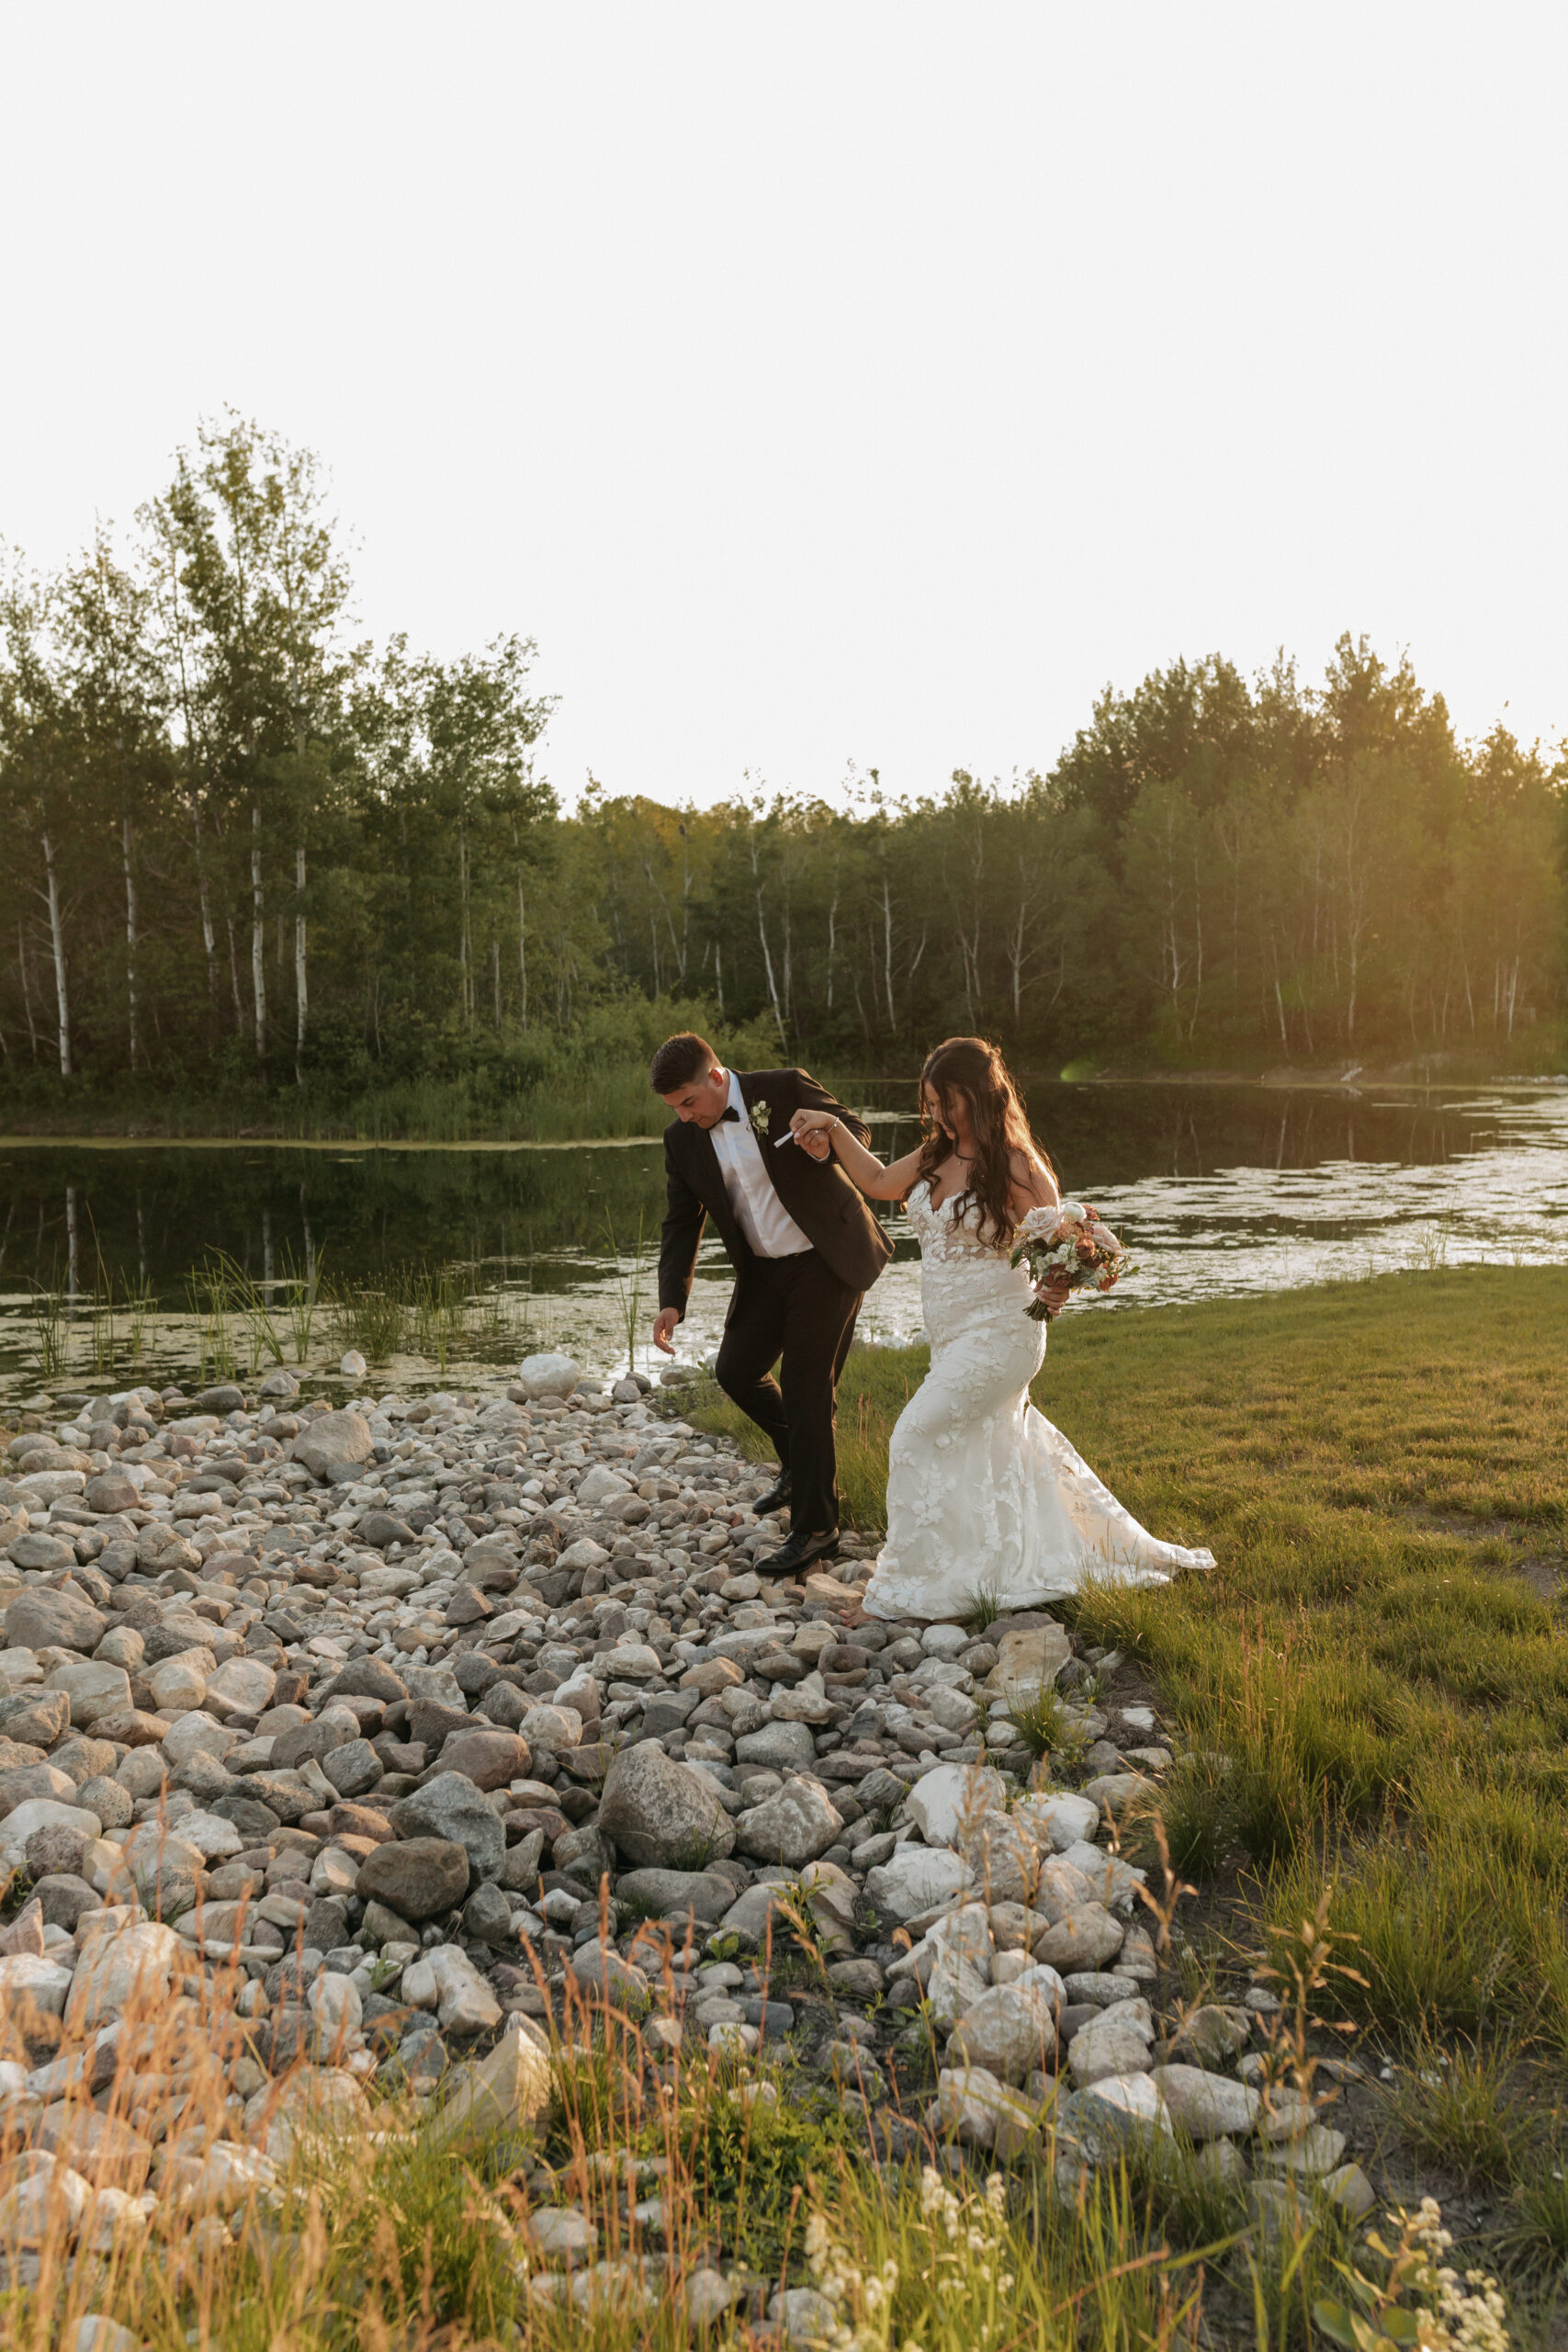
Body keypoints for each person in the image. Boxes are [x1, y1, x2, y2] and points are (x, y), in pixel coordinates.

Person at [789, 1035, 1215, 1619]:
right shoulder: (936, 1153)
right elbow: (881, 1183)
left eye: (948, 1103)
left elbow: (1059, 1245)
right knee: (980, 1447)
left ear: (981, 1097)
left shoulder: (1016, 1164)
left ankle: (901, 1594)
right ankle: (977, 1564)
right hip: (951, 1335)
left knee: (913, 1435)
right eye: (932, 1104)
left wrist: (1057, 1284)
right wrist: (834, 1129)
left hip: (1003, 1334)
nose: (937, 1115)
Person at [650, 1032, 893, 1576]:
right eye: (673, 1109)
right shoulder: (681, 1140)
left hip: (824, 1257)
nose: (684, 1116)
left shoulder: (782, 1088)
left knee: (809, 1387)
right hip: (763, 1270)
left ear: (715, 1077)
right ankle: (799, 1463)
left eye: (688, 1102)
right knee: (735, 1370)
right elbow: (680, 1220)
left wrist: (827, 1142)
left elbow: (854, 1129)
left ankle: (817, 1529)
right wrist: (672, 1300)